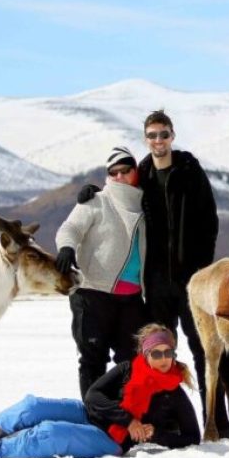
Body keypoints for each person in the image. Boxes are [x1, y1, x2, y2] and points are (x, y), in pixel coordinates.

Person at [79, 110, 229, 435]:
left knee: (204, 349)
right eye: (152, 135)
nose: (158, 140)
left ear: (172, 136)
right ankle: (163, 420)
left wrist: (201, 269)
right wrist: (91, 193)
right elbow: (118, 192)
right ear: (145, 139)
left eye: (163, 134)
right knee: (159, 353)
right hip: (156, 284)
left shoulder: (190, 170)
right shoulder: (144, 174)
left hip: (193, 282)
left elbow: (210, 221)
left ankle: (218, 422)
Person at [0, 324, 199, 458]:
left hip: (110, 440)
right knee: (33, 406)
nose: (163, 360)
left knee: (50, 433)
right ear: (145, 354)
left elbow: (192, 436)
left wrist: (154, 434)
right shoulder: (127, 369)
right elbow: (92, 396)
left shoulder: (174, 393)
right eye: (156, 354)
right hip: (89, 414)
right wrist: (128, 420)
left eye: (168, 353)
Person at [55, 146, 148, 398]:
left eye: (125, 170)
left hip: (132, 298)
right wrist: (66, 248)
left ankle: (124, 417)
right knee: (92, 359)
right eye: (113, 172)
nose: (119, 177)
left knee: (130, 360)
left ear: (135, 172)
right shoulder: (97, 201)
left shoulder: (146, 203)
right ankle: (94, 420)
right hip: (92, 291)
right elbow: (70, 228)